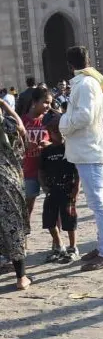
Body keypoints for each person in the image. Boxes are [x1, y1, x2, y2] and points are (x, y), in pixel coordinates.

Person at [59, 46, 103, 272]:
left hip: (88, 148)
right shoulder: (93, 81)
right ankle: (102, 246)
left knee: (98, 202)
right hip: (87, 147)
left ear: (70, 65)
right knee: (96, 201)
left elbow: (84, 116)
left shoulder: (85, 84)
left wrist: (62, 122)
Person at [38, 116, 80, 263]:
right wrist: (44, 186)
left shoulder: (69, 148)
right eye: (55, 131)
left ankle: (73, 247)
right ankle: (59, 245)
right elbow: (41, 171)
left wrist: (76, 188)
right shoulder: (46, 151)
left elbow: (77, 170)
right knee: (49, 221)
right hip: (52, 190)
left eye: (61, 131)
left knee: (69, 219)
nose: (59, 134)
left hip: (67, 189)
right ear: (49, 132)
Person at [0, 98, 32, 289]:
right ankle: (21, 278)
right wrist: (6, 107)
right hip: (7, 180)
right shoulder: (8, 126)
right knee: (13, 226)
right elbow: (22, 129)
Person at [22, 86, 53, 219]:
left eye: (50, 103)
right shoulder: (22, 121)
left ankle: (56, 239)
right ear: (34, 102)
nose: (48, 106)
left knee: (53, 203)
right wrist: (25, 144)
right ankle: (23, 235)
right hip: (29, 170)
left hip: (48, 169)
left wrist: (49, 144)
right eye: (45, 102)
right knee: (28, 206)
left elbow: (60, 141)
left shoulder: (51, 120)